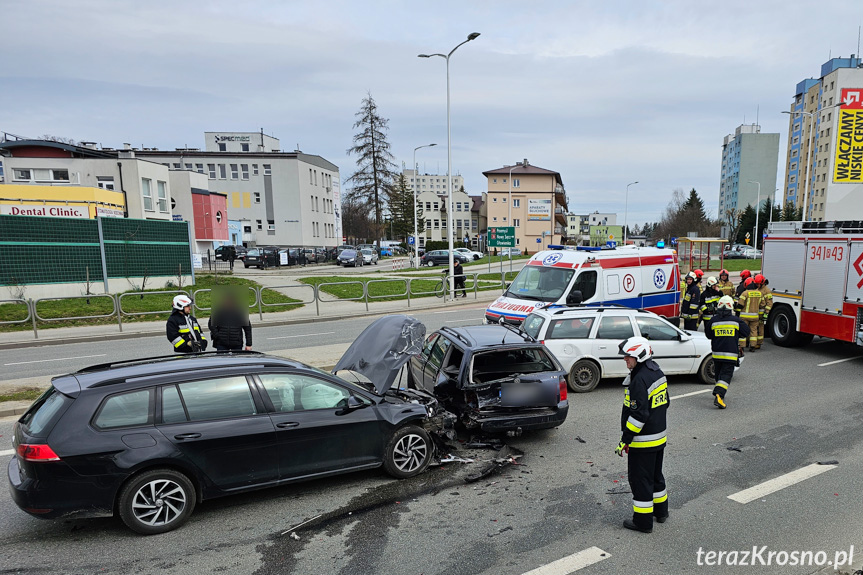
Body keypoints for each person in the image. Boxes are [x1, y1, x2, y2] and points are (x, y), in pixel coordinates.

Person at [615, 336, 670, 533]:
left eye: (628, 356)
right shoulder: (657, 372)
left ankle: (643, 522)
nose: (625, 360)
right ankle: (661, 512)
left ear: (638, 356)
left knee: (640, 481)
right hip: (659, 437)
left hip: (643, 441)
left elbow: (638, 415)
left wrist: (625, 440)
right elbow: (665, 403)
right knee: (656, 477)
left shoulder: (639, 380)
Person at [704, 296, 750, 409]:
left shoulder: (713, 321)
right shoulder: (736, 320)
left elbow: (708, 335)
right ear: (731, 307)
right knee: (726, 375)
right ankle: (719, 394)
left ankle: (720, 392)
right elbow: (746, 332)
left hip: (716, 354)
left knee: (719, 374)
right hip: (730, 354)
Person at [737, 278, 763, 351]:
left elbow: (740, 305)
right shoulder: (759, 293)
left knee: (742, 330)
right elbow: (762, 305)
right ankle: (753, 346)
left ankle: (742, 346)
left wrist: (736, 308)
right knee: (753, 331)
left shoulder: (745, 293)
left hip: (744, 316)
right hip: (755, 316)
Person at [756, 274, 772, 345]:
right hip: (755, 312)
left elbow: (769, 303)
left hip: (762, 312)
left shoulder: (766, 291)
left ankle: (759, 343)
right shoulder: (757, 288)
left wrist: (766, 313)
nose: (757, 285)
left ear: (762, 283)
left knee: (760, 328)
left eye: (758, 284)